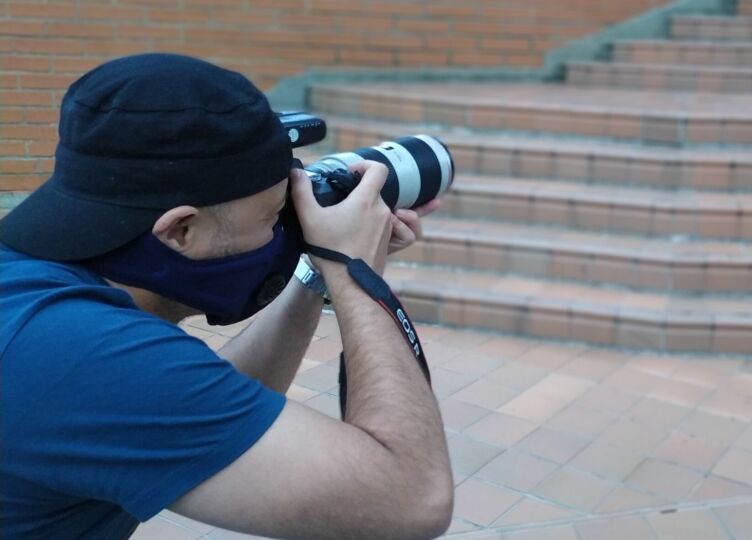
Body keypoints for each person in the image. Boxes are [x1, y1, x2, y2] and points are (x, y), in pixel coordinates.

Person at [0, 54, 453, 539]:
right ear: (180, 231)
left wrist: (316, 273)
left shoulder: (36, 292)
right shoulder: (85, 358)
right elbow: (412, 498)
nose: (290, 226)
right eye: (275, 214)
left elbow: (198, 414)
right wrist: (354, 271)